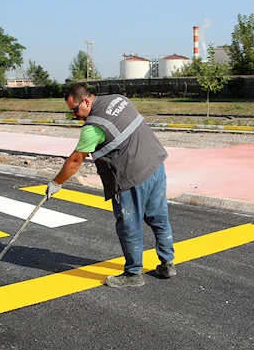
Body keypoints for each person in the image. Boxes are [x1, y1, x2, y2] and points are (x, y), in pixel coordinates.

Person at [47, 84, 175, 288]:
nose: (74, 115)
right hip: (155, 165)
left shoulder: (93, 126)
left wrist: (56, 183)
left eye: (75, 109)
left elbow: (75, 160)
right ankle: (167, 263)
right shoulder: (118, 99)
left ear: (86, 101)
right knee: (158, 217)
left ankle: (133, 274)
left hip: (130, 177)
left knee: (129, 226)